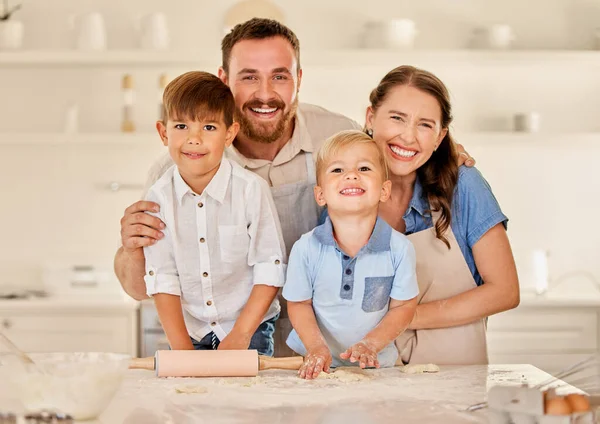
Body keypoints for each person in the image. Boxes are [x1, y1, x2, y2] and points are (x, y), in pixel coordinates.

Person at [113, 18, 475, 355]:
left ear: (299, 79)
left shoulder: (336, 135)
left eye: (280, 77)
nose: (266, 94)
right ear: (223, 79)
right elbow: (141, 287)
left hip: (326, 347)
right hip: (227, 344)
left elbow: (398, 153)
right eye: (249, 77)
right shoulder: (173, 171)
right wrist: (132, 250)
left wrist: (441, 151)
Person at [362, 65, 520, 365]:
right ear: (371, 118)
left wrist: (403, 318)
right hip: (370, 380)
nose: (408, 137)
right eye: (397, 118)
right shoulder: (343, 187)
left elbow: (505, 291)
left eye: (424, 125)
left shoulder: (464, 186)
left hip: (455, 386)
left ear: (439, 136)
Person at [143, 71, 286, 355]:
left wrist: (241, 334)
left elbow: (270, 266)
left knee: (245, 398)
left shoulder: (250, 190)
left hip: (250, 328)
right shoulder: (158, 197)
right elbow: (163, 277)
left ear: (229, 134)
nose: (194, 139)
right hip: (190, 330)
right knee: (192, 397)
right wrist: (182, 349)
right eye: (181, 126)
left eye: (209, 128)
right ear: (163, 133)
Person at [283, 131, 418, 379]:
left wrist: (372, 344)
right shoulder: (305, 249)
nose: (351, 175)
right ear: (320, 195)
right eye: (337, 170)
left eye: (364, 168)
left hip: (379, 368)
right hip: (318, 367)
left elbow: (403, 307)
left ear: (384, 191)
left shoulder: (399, 249)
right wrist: (316, 348)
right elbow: (299, 304)